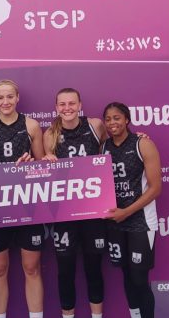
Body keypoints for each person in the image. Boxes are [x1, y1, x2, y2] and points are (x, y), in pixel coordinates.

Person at [0, 79, 46, 318]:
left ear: (17, 98)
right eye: (1, 97)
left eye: (10, 96)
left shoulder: (31, 125)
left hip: (27, 203)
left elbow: (43, 166)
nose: (5, 101)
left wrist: (30, 165)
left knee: (31, 268)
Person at [42, 88, 107, 318]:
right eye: (62, 104)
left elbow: (115, 147)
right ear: (56, 108)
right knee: (65, 271)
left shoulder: (95, 125)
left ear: (80, 105)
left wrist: (138, 136)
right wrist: (47, 160)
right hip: (64, 213)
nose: (67, 108)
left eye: (71, 103)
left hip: (93, 210)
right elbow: (45, 173)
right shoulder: (50, 134)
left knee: (94, 268)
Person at [100, 102, 162, 318]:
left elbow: (155, 188)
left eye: (117, 118)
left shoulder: (143, 144)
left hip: (141, 222)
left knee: (139, 278)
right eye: (108, 119)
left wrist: (126, 212)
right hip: (115, 223)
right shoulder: (104, 148)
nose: (112, 123)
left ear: (127, 119)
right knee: (126, 275)